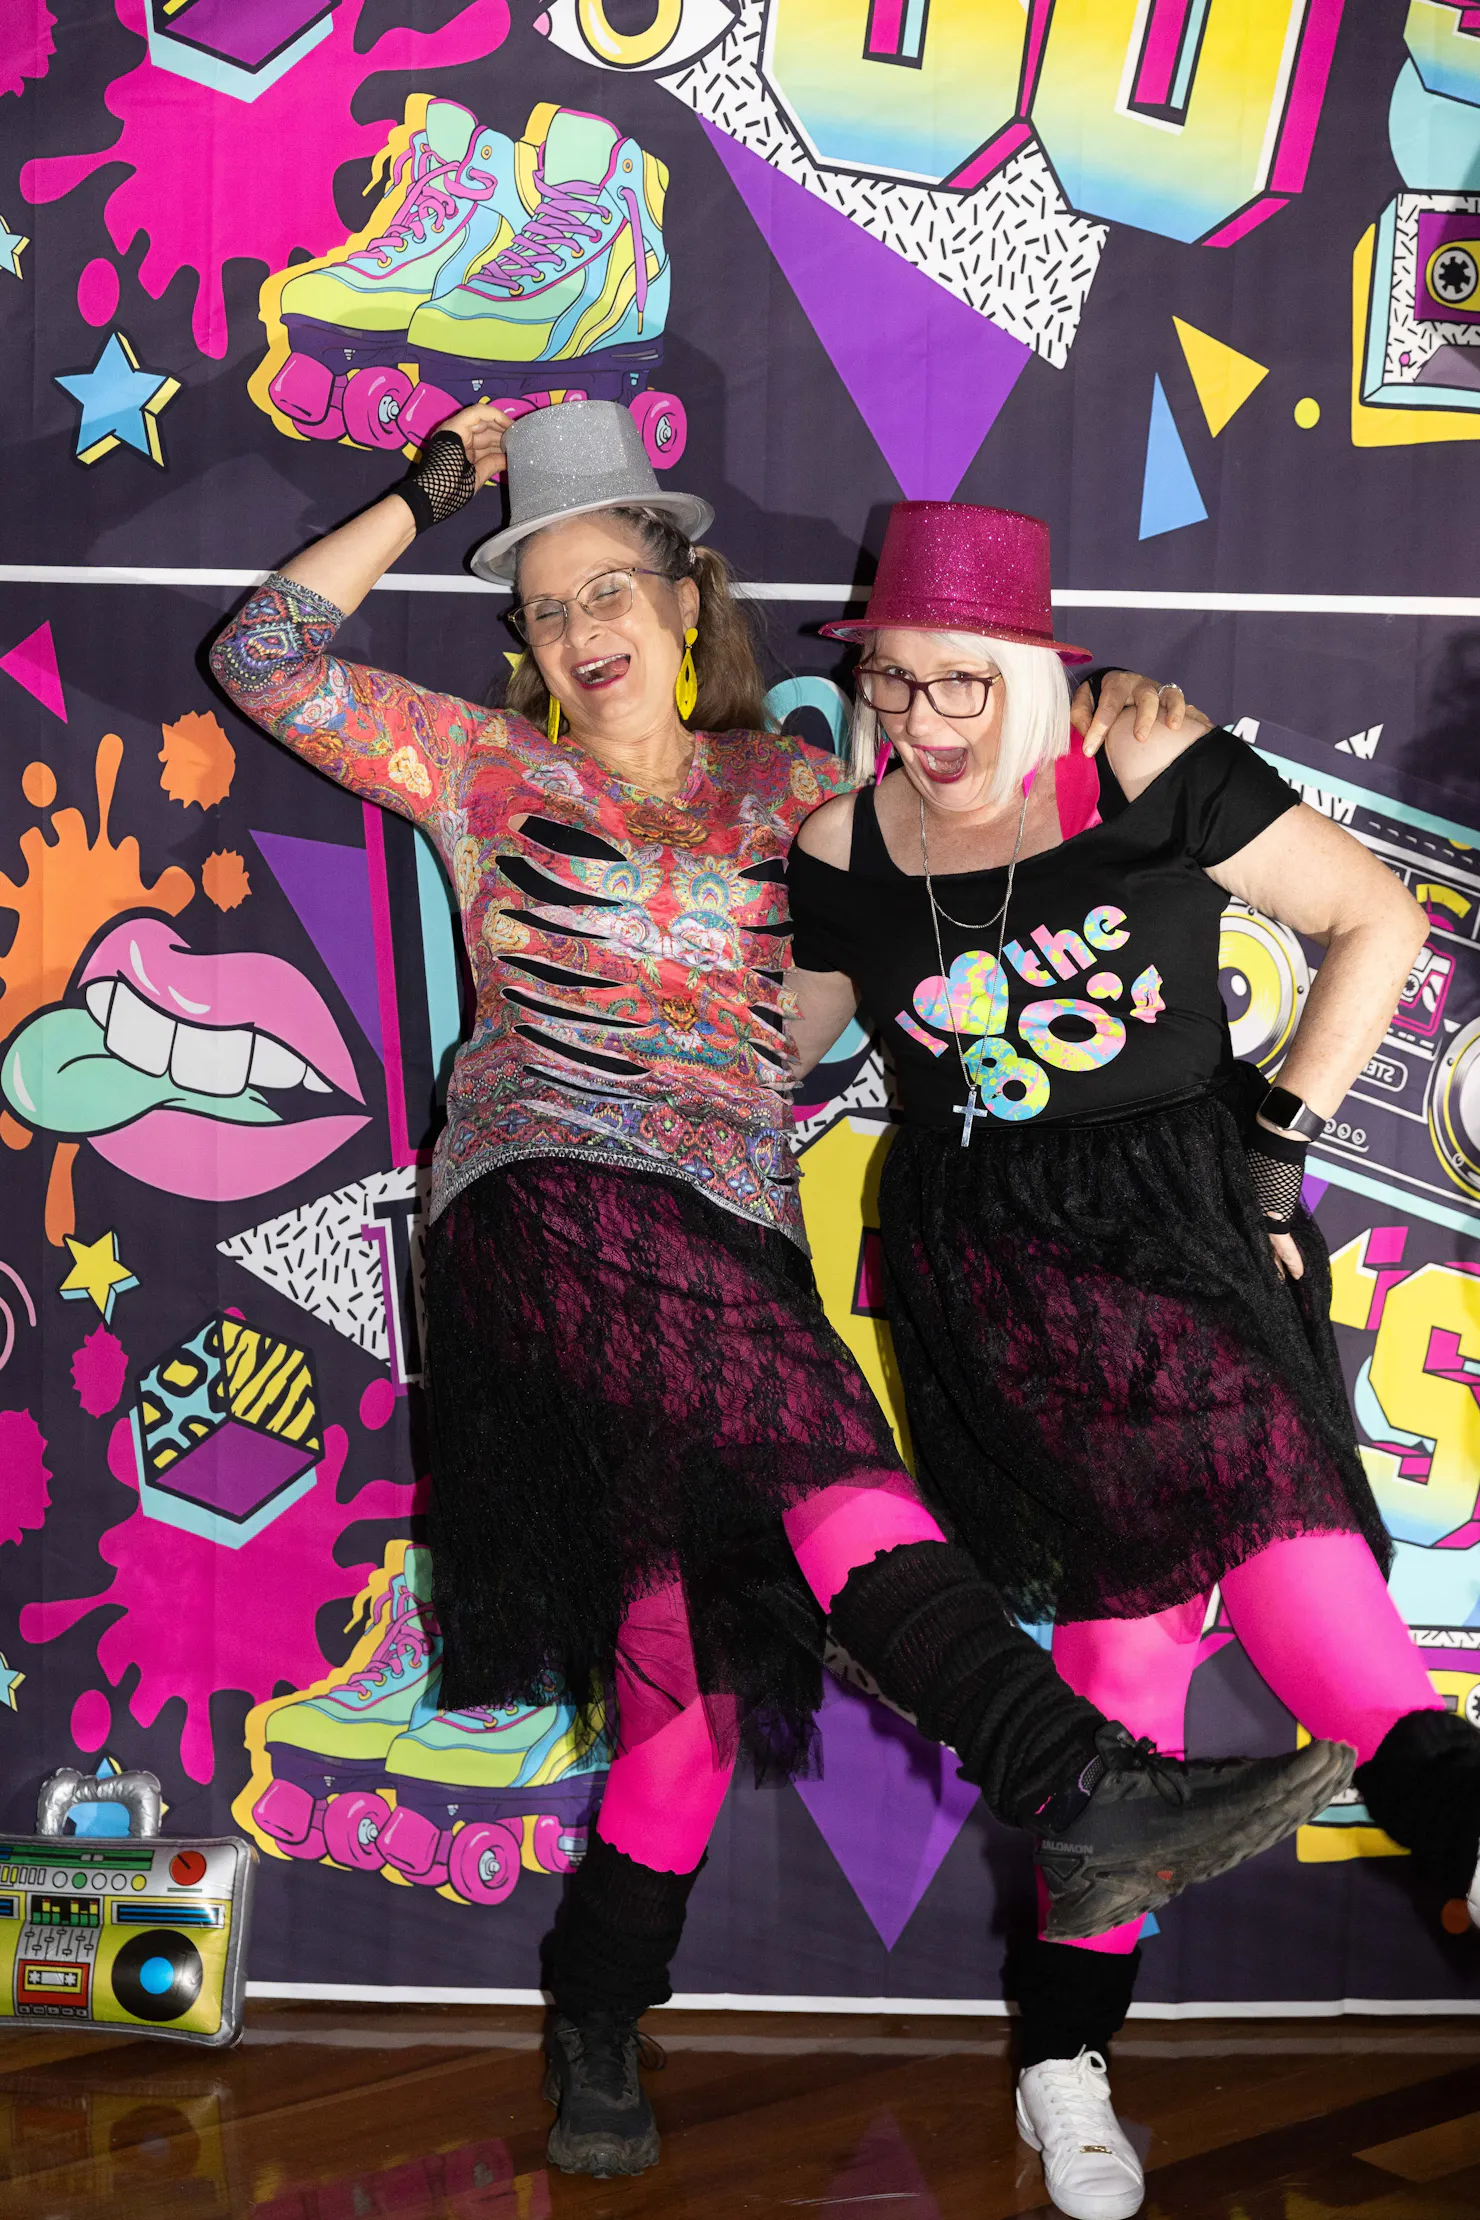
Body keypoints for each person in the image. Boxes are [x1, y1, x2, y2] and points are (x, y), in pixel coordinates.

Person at [211, 412, 1350, 2185]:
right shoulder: (472, 765)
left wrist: (1110, 708)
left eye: (614, 583)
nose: (582, 623)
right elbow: (263, 655)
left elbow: (975, 801)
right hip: (549, 1198)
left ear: (686, 600)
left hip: (734, 1240)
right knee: (823, 1459)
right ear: (524, 639)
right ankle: (1074, 1781)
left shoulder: (804, 806)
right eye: (544, 598)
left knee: (686, 1701)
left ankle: (596, 2008)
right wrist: (436, 488)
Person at [785, 498, 1480, 2220]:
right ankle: (1067, 2071)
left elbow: (1379, 923)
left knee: (1280, 1542)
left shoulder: (1154, 772)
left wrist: (1272, 1139)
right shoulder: (835, 852)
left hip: (1184, 1233)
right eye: (895, 685)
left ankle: (1445, 1822)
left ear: (1035, 672)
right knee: (1124, 1673)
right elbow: (775, 1042)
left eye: (963, 683)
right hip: (991, 1283)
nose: (928, 726)